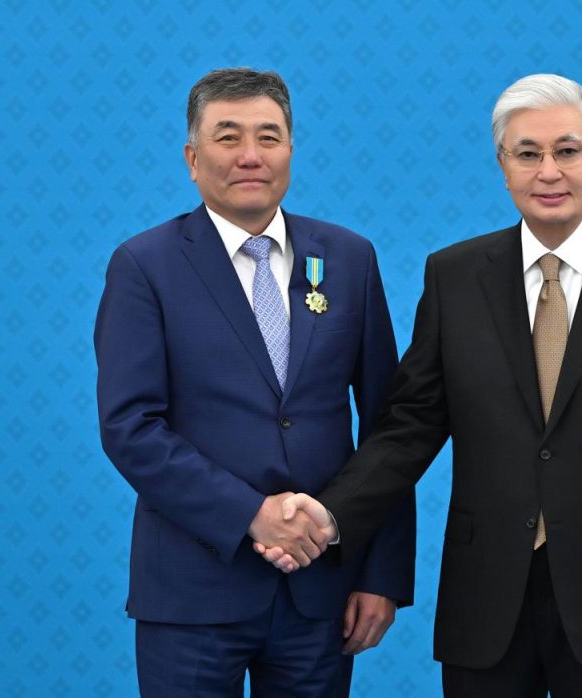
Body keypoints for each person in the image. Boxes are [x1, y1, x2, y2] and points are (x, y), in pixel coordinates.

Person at [260, 73, 582, 697]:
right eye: (527, 153)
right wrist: (328, 513)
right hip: (487, 597)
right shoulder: (455, 276)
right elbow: (409, 428)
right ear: (503, 166)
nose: (548, 171)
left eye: (567, 150)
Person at [94, 67, 415, 697]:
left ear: (290, 150)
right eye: (228, 137)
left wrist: (380, 574)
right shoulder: (144, 265)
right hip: (192, 589)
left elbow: (390, 426)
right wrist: (251, 516)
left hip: (321, 591)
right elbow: (130, 427)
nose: (250, 155)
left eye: (268, 137)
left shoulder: (349, 258)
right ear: (193, 158)